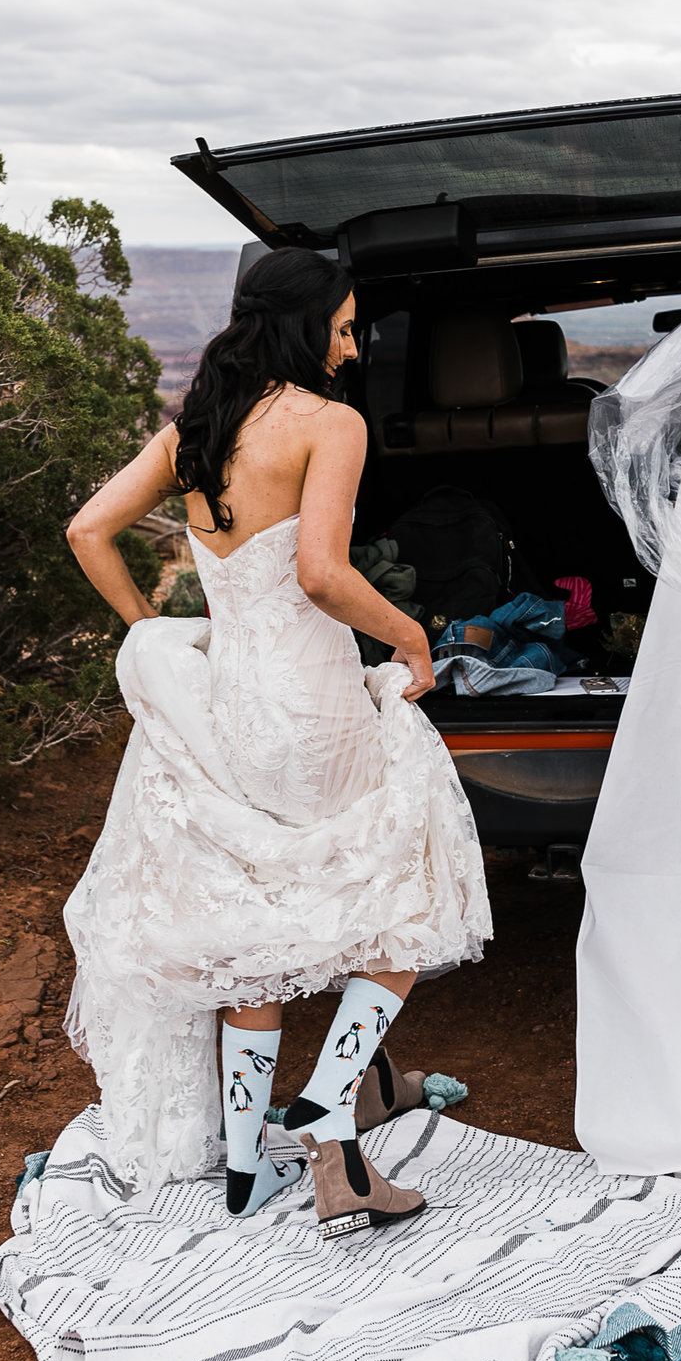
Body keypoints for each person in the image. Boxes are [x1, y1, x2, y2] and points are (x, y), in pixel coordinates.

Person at [60, 248, 492, 1230]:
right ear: (302, 326)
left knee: (254, 932)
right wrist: (411, 636)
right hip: (312, 707)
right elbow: (321, 573)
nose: (351, 348)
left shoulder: (199, 431)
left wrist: (151, 631)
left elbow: (89, 530)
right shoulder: (328, 424)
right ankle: (335, 1109)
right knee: (406, 903)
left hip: (228, 708)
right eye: (342, 328)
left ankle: (249, 1167)